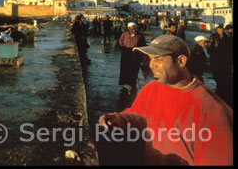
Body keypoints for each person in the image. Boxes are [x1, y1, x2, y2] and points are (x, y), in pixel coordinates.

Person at [97, 35, 233, 165]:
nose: (151, 65)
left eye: (158, 59)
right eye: (150, 59)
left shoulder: (213, 111)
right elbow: (140, 116)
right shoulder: (151, 89)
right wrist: (119, 120)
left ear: (181, 61)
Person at [207, 24, 233, 105]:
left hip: (225, 62)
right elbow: (209, 49)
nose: (220, 30)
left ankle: (224, 94)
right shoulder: (213, 37)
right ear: (217, 29)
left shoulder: (227, 37)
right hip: (216, 61)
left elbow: (230, 49)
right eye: (219, 29)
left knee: (224, 78)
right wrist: (214, 57)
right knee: (217, 77)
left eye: (221, 29)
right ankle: (218, 93)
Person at [118, 22, 146, 92]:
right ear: (128, 28)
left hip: (135, 54)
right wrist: (124, 49)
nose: (133, 28)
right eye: (131, 27)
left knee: (134, 69)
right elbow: (120, 42)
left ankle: (133, 84)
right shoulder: (125, 34)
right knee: (125, 70)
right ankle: (125, 86)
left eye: (134, 27)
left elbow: (143, 44)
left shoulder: (140, 35)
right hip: (126, 54)